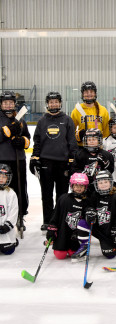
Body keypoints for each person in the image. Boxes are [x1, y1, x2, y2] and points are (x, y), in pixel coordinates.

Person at [29, 92, 78, 232]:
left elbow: (72, 142)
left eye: (56, 101)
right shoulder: (42, 121)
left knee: (62, 195)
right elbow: (37, 142)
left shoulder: (67, 120)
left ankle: (60, 219)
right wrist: (34, 158)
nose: (54, 104)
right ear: (47, 104)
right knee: (46, 194)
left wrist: (71, 159)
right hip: (46, 162)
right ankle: (48, 221)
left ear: (60, 103)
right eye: (51, 102)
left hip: (63, 163)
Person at [71, 170, 116, 261]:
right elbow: (88, 206)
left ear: (111, 182)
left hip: (110, 232)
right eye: (100, 182)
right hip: (98, 230)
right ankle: (84, 247)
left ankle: (112, 244)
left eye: (106, 182)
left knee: (110, 254)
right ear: (96, 184)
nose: (103, 184)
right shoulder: (94, 195)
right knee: (82, 223)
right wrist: (89, 211)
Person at [0, 90, 30, 231]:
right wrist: (6, 131)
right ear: (1, 104)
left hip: (18, 160)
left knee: (19, 189)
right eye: (5, 103)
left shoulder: (20, 120)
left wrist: (22, 141)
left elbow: (28, 139)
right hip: (2, 160)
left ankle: (19, 214)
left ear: (14, 104)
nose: (8, 105)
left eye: (10, 103)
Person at [45, 173, 90, 260]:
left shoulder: (87, 201)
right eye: (76, 185)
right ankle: (63, 246)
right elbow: (55, 215)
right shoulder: (64, 198)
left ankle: (73, 247)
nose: (79, 188)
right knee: (60, 255)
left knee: (73, 252)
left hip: (76, 236)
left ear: (85, 187)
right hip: (63, 233)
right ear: (72, 186)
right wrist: (51, 230)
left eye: (81, 186)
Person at [72, 128, 114, 195]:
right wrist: (84, 173)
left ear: (99, 140)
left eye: (94, 139)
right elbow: (74, 169)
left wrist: (106, 163)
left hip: (101, 186)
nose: (91, 141)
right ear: (85, 140)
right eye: (89, 140)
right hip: (84, 186)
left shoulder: (107, 155)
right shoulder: (79, 154)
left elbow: (110, 170)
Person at [71, 81, 110, 147]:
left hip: (99, 147)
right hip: (82, 147)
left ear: (95, 94)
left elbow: (107, 132)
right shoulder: (76, 111)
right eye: (86, 92)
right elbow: (71, 132)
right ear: (82, 94)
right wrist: (78, 135)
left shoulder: (103, 110)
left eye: (91, 92)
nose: (89, 94)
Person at [0, 164, 18, 255]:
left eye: (4, 176)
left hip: (5, 231)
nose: (1, 179)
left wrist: (7, 226)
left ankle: (13, 240)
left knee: (8, 251)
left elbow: (13, 212)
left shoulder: (11, 194)